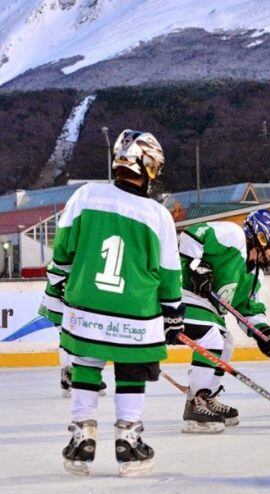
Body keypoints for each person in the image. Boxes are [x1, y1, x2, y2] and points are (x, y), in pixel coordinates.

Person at [43, 129, 183, 476]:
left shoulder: (86, 195)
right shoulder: (158, 215)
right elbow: (168, 274)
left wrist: (57, 288)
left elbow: (63, 248)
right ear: (148, 166)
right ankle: (129, 443)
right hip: (136, 313)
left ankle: (82, 437)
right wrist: (173, 314)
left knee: (87, 364)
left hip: (86, 305)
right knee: (132, 369)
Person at [175, 209, 270, 433]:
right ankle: (194, 404)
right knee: (211, 338)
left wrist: (264, 333)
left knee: (225, 342)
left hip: (204, 305)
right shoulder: (233, 236)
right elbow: (192, 235)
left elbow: (248, 309)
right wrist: (193, 266)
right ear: (261, 236)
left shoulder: (255, 274)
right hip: (179, 291)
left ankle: (207, 397)